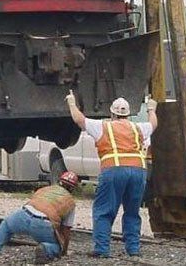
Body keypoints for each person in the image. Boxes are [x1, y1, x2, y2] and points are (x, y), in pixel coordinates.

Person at [65, 91, 158, 258]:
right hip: (138, 171)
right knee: (132, 211)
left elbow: (79, 119)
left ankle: (102, 250)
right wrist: (151, 109)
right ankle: (133, 249)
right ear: (128, 114)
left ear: (112, 113)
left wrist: (72, 103)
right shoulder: (138, 127)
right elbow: (153, 124)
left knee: (104, 211)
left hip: (114, 170)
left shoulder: (103, 126)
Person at [0, 171, 79, 265]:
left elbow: (33, 201)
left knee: (6, 225)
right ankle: (46, 248)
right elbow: (66, 229)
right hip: (43, 223)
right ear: (73, 188)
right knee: (56, 247)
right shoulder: (70, 202)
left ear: (59, 181)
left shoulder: (45, 189)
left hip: (25, 213)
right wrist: (63, 249)